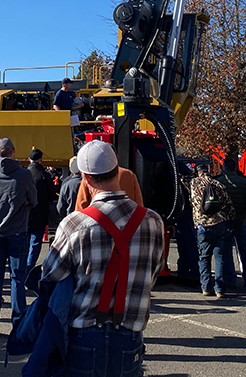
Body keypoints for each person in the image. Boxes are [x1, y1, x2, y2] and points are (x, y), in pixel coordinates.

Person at [40, 140, 165, 377]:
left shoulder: (74, 224)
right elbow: (154, 271)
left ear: (85, 178)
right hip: (130, 335)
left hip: (83, 334)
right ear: (118, 170)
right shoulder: (152, 221)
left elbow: (50, 276)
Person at [0, 137, 37, 339]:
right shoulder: (24, 174)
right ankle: (18, 325)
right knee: (17, 278)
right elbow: (34, 199)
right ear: (13, 151)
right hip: (17, 230)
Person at [190, 162, 235, 298]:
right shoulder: (218, 184)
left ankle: (206, 287)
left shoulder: (194, 184)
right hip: (220, 223)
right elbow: (229, 204)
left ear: (197, 172)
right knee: (220, 257)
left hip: (203, 225)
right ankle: (220, 289)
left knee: (204, 257)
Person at [216, 156, 246, 289]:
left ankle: (231, 279)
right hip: (240, 220)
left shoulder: (219, 182)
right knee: (244, 250)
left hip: (225, 221)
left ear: (224, 168)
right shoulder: (243, 182)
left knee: (226, 250)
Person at [26, 147, 57, 270]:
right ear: (41, 160)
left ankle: (22, 267)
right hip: (40, 213)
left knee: (24, 242)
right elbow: (52, 195)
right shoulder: (45, 175)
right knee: (35, 243)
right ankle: (29, 267)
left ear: (29, 159)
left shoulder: (24, 174)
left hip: (25, 213)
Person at [75, 165, 143, 210]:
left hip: (97, 219)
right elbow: (138, 202)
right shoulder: (129, 174)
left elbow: (81, 204)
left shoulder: (89, 177)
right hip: (129, 220)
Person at [57, 156, 83, 222]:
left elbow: (60, 207)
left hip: (70, 218)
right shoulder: (88, 185)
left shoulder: (66, 185)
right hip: (84, 218)